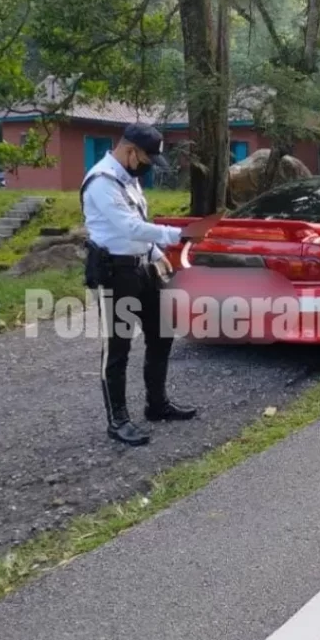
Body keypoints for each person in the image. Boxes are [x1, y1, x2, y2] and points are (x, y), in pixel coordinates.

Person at [81, 123, 197, 446]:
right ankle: (118, 420)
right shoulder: (101, 182)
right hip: (114, 273)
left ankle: (156, 405)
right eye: (147, 159)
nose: (148, 167)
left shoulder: (128, 180)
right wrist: (176, 235)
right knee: (117, 348)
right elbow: (129, 226)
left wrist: (160, 254)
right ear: (131, 151)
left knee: (162, 333)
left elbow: (139, 229)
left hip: (143, 267)